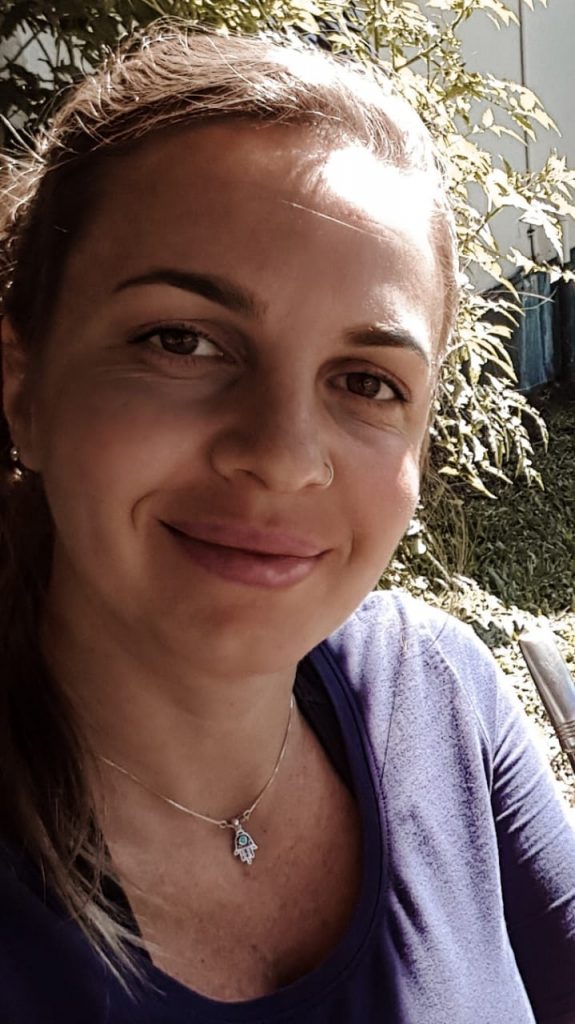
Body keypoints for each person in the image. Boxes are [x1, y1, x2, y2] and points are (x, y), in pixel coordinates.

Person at [0, 23, 573, 1024]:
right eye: (180, 340)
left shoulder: (436, 698)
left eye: (365, 381)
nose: (281, 454)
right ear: (23, 390)